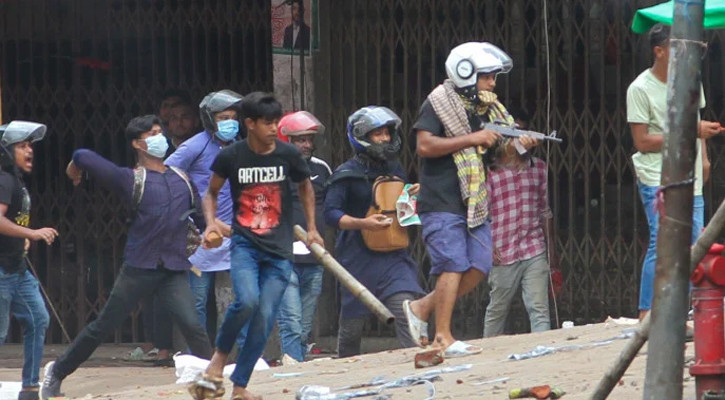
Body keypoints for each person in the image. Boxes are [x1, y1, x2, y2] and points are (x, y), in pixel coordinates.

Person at [41, 115, 212, 399]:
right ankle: (57, 371)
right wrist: (73, 168)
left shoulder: (181, 179)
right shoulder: (131, 179)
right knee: (102, 327)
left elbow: (199, 217)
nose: (159, 138)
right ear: (137, 144)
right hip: (139, 268)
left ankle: (213, 383)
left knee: (193, 327)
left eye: (160, 131)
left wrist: (210, 230)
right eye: (151, 134)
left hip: (172, 268)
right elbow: (83, 155)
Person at [188, 92, 323, 400]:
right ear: (249, 123)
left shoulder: (288, 155)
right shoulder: (232, 156)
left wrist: (313, 228)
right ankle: (218, 360)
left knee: (265, 316)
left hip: (279, 251)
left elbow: (305, 187)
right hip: (245, 246)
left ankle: (240, 386)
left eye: (276, 122)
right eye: (267, 123)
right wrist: (211, 223)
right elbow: (210, 193)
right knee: (247, 301)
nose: (274, 128)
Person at [403, 42, 517, 357]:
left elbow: (499, 156)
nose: (492, 84)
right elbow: (424, 146)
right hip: (441, 199)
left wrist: (519, 145)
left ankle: (422, 307)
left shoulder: (485, 110)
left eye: (494, 77)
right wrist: (473, 138)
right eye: (487, 77)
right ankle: (442, 337)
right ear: (465, 74)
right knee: (452, 264)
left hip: (474, 201)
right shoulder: (439, 102)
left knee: (479, 264)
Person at [626, 24, 721, 321]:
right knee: (663, 242)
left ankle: (684, 313)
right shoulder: (639, 89)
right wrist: (690, 132)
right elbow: (642, 142)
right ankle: (647, 313)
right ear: (659, 51)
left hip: (691, 175)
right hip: (658, 177)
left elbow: (696, 121)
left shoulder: (690, 79)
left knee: (694, 244)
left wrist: (704, 159)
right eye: (678, 48)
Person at [324, 106, 425, 358]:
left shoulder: (395, 169)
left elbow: (401, 208)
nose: (385, 139)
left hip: (394, 256)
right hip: (357, 258)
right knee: (352, 329)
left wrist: (412, 195)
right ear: (361, 137)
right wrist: (363, 223)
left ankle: (417, 361)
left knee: (407, 309)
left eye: (387, 133)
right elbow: (331, 214)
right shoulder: (346, 174)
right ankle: (345, 370)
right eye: (378, 134)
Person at [165, 89, 244, 349]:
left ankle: (243, 354)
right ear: (210, 119)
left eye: (233, 117)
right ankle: (196, 356)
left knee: (241, 300)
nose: (230, 123)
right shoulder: (195, 146)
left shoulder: (239, 147)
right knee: (196, 302)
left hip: (234, 234)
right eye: (223, 118)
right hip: (201, 236)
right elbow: (167, 175)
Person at [0, 121, 56, 400]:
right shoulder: (4, 180)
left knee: (37, 318)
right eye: (22, 146)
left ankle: (30, 388)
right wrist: (31, 233)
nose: (29, 150)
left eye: (30, 145)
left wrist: (20, 238)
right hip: (2, 270)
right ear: (6, 152)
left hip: (17, 269)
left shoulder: (15, 181)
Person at [483, 134, 553, 337]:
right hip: (503, 251)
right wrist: (488, 246)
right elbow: (482, 214)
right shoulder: (491, 173)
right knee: (498, 309)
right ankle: (490, 348)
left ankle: (543, 349)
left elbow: (544, 209)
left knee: (539, 309)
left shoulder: (538, 168)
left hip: (533, 247)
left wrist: (551, 247)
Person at [275, 111, 331, 362]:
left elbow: (329, 205)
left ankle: (295, 363)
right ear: (285, 139)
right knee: (292, 321)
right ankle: (293, 368)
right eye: (300, 140)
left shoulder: (321, 168)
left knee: (304, 325)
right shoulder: (271, 169)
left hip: (314, 257)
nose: (307, 145)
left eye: (310, 139)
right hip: (283, 257)